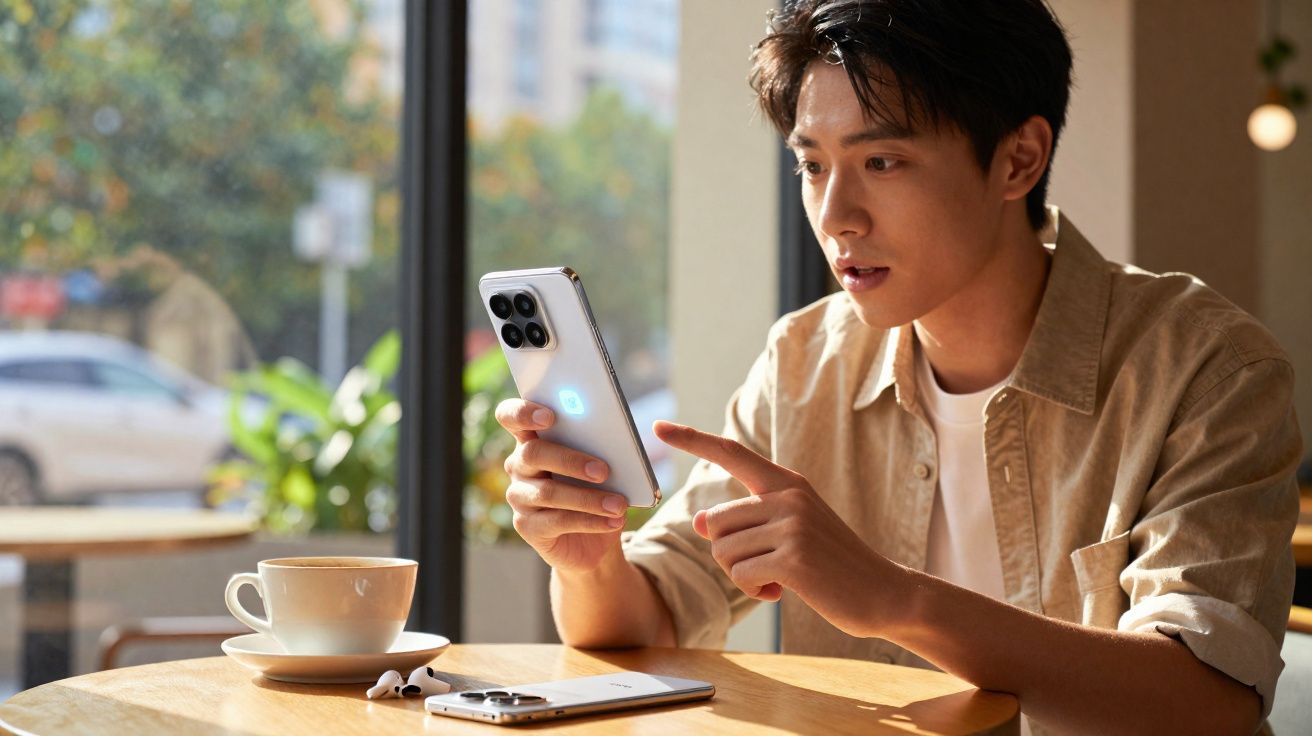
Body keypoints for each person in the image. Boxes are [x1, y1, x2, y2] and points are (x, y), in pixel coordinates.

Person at [494, 1, 1303, 733]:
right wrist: (589, 560)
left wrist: (892, 598)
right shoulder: (805, 362)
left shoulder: (1206, 368)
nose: (835, 216)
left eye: (881, 162)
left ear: (1019, 160)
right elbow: (646, 622)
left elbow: (1208, 700)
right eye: (813, 165)